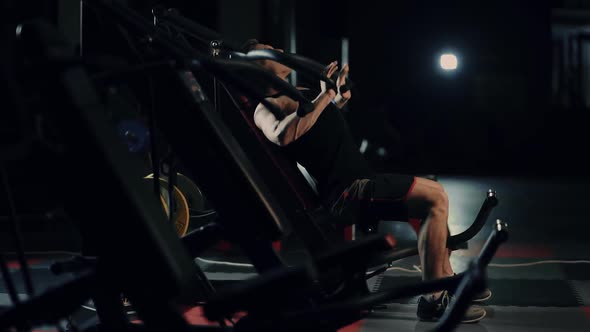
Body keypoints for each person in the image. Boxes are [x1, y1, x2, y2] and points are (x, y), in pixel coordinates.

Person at [241, 39, 490, 323]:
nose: (281, 51)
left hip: (361, 180)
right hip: (347, 193)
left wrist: (335, 97)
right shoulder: (264, 107)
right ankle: (434, 299)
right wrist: (324, 98)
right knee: (435, 197)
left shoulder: (298, 94)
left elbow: (317, 119)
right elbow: (283, 135)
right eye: (270, 51)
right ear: (257, 68)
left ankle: (444, 281)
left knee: (433, 198)